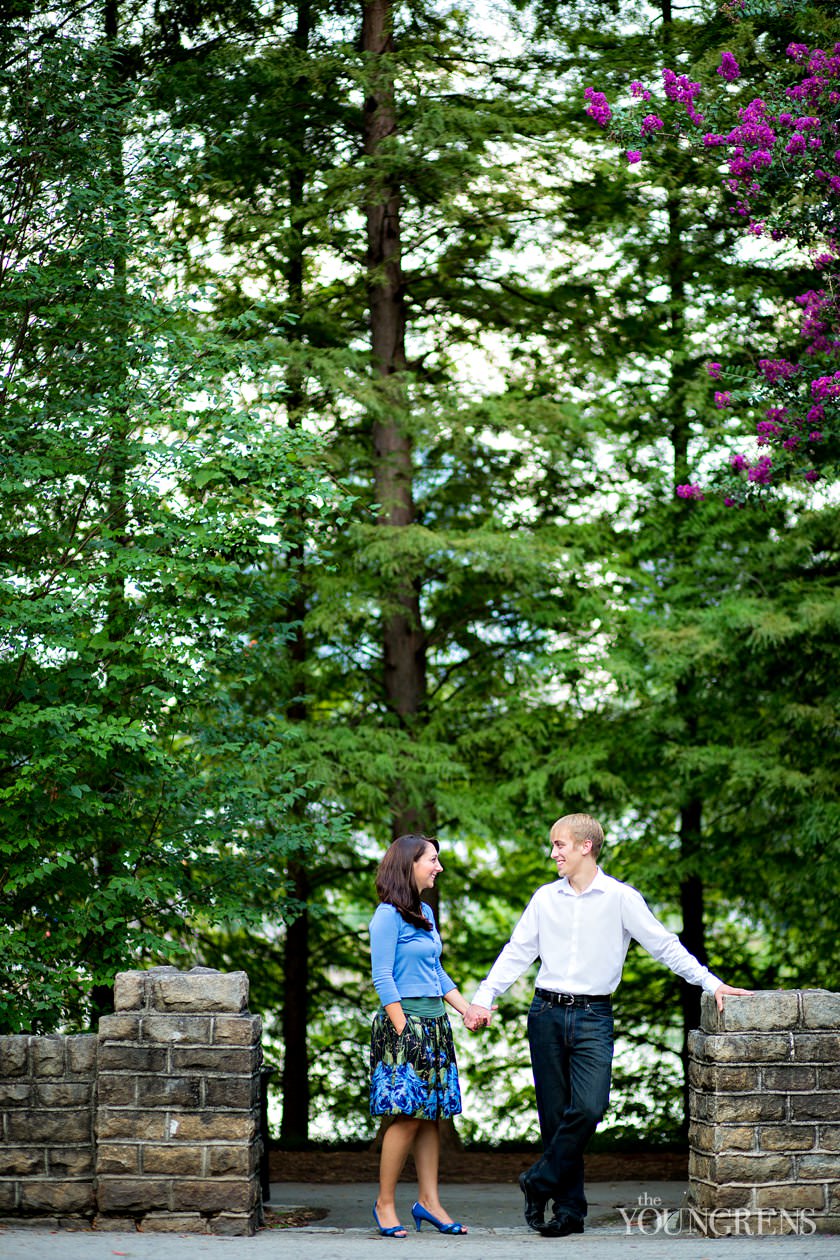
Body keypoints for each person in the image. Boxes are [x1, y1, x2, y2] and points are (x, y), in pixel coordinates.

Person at [463, 812, 752, 1238]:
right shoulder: (545, 898)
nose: (553, 853)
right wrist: (484, 997)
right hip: (545, 1013)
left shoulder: (621, 898)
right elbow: (517, 952)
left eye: (559, 845)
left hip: (594, 1016)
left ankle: (538, 1180)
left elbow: (664, 946)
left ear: (585, 846)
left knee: (589, 1107)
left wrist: (711, 983)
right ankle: (569, 1212)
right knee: (554, 1116)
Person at [368, 832, 471, 1238]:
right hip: (404, 1025)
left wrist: (467, 1010)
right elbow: (382, 976)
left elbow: (436, 971)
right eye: (432, 859)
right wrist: (404, 1030)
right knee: (408, 1117)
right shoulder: (386, 916)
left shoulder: (424, 912)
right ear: (409, 864)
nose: (438, 867)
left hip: (435, 1025)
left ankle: (429, 1202)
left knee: (432, 1117)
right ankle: (385, 1204)